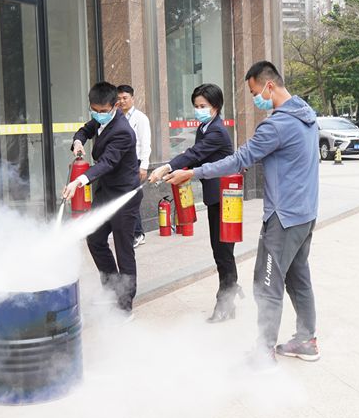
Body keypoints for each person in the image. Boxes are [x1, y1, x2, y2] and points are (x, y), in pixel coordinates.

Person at [163, 61, 320, 368]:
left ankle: (263, 354)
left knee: (266, 283)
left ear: (269, 86)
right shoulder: (306, 115)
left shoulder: (276, 126)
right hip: (306, 212)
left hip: (284, 217)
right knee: (298, 277)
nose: (254, 99)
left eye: (254, 92)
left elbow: (238, 160)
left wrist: (192, 173)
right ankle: (307, 340)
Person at [149, 83, 241, 323]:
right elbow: (195, 155)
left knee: (223, 252)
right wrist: (174, 172)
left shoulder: (217, 131)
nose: (198, 110)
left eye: (203, 106)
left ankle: (226, 302)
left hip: (225, 198)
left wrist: (167, 167)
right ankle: (229, 296)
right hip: (215, 196)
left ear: (216, 106)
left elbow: (195, 153)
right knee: (219, 250)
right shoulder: (205, 127)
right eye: (196, 106)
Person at [62, 82, 141, 312]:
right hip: (105, 192)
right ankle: (112, 289)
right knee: (95, 239)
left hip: (124, 196)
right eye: (94, 110)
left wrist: (79, 181)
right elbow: (85, 130)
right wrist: (78, 142)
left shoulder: (123, 131)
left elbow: (107, 163)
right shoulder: (100, 118)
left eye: (103, 111)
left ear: (115, 106)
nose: (98, 114)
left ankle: (125, 305)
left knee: (124, 249)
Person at [117, 84, 151, 249]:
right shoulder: (116, 117)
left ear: (132, 98)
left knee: (132, 199)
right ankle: (129, 232)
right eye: (119, 98)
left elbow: (146, 143)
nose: (122, 101)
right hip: (119, 165)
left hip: (135, 164)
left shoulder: (140, 118)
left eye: (125, 98)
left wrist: (144, 166)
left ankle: (138, 234)